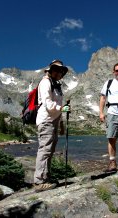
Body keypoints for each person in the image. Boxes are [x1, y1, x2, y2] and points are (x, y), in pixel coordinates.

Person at [33, 60, 71, 192]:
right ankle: (39, 181)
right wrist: (63, 108)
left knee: (49, 150)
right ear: (51, 70)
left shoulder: (57, 85)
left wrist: (61, 125)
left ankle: (46, 177)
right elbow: (48, 105)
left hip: (53, 121)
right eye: (56, 69)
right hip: (46, 120)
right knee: (45, 149)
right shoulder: (45, 82)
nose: (59, 72)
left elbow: (56, 108)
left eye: (61, 71)